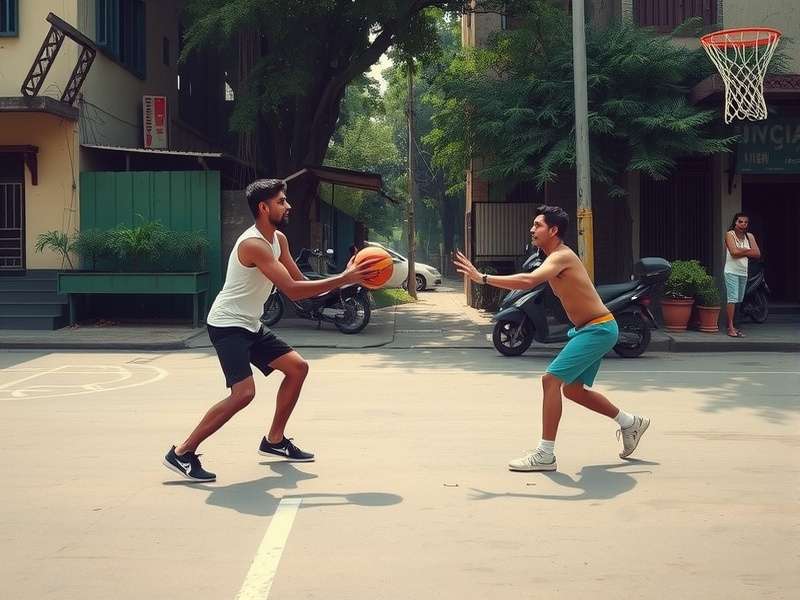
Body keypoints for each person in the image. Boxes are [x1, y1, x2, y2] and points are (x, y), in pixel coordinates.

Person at [163, 179, 382, 482]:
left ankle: (274, 441)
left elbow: (302, 282)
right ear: (263, 208)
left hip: (249, 323)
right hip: (227, 324)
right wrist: (345, 277)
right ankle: (182, 452)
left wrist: (345, 277)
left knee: (297, 368)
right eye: (281, 201)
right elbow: (293, 291)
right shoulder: (253, 244)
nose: (288, 205)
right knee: (243, 394)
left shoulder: (279, 239)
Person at [453, 205, 649, 472]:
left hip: (598, 328)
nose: (532, 230)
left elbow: (529, 281)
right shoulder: (551, 257)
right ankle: (630, 422)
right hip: (589, 329)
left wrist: (483, 278)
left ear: (553, 230)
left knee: (550, 380)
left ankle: (545, 454)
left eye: (538, 225)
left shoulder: (561, 256)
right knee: (572, 390)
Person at [724, 212, 761, 338]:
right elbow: (733, 252)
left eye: (745, 222)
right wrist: (748, 251)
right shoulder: (730, 234)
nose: (743, 224)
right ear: (735, 222)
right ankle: (730, 327)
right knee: (732, 298)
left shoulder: (749, 236)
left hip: (743, 272)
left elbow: (757, 254)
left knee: (739, 299)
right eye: (740, 221)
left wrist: (742, 251)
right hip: (731, 271)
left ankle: (736, 326)